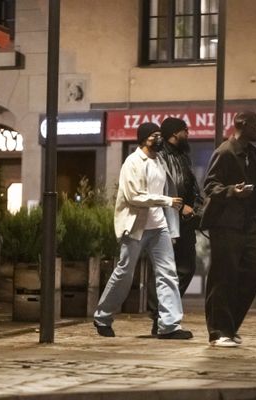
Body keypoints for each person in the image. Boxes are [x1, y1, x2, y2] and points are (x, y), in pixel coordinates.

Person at [93, 122, 193, 340]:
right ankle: (102, 317)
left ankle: (169, 325)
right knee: (124, 273)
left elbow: (168, 188)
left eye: (159, 135)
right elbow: (134, 197)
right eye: (154, 136)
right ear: (143, 139)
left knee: (168, 274)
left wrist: (171, 222)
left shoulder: (159, 161)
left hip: (159, 227)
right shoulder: (132, 162)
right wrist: (166, 201)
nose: (158, 139)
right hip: (135, 227)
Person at [200, 110, 256, 347]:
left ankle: (229, 325)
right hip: (225, 224)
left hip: (248, 223)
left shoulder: (253, 153)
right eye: (255, 125)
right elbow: (210, 186)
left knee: (254, 274)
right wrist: (233, 190)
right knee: (224, 276)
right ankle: (218, 331)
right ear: (241, 125)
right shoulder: (225, 152)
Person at [146, 117, 204, 336]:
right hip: (166, 220)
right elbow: (160, 188)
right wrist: (180, 208)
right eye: (184, 130)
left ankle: (166, 313)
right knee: (163, 269)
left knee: (187, 268)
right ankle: (161, 317)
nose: (188, 134)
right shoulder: (160, 157)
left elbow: (193, 187)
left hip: (185, 222)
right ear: (174, 133)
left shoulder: (183, 157)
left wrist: (195, 208)